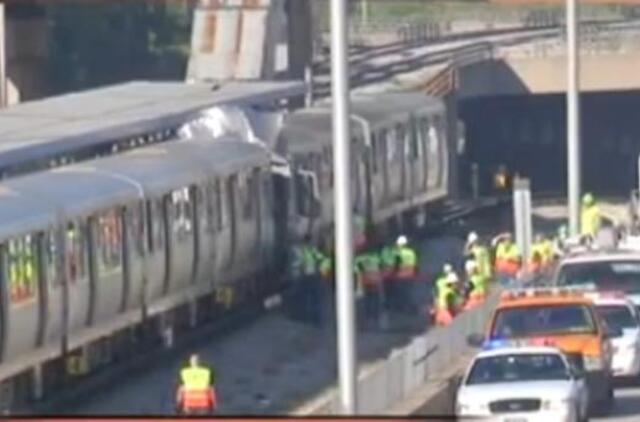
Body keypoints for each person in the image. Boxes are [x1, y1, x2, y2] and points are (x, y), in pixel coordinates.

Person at [354, 247, 385, 329]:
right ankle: (376, 321)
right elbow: (381, 269)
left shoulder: (358, 259)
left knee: (366, 303)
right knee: (376, 302)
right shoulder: (375, 258)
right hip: (375, 282)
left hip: (365, 283)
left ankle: (366, 322)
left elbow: (357, 273)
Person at [393, 235, 419, 314]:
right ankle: (413, 307)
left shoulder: (398, 254)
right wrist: (415, 274)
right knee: (410, 292)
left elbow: (396, 265)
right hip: (410, 274)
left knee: (403, 293)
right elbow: (415, 265)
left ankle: (406, 308)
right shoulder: (411, 252)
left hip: (401, 276)